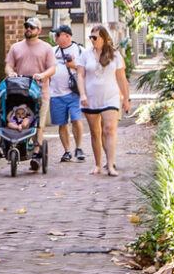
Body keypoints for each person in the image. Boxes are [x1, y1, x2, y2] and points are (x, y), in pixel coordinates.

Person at [81, 25, 132, 176]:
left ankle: (110, 165)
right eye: (90, 37)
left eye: (95, 37)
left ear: (103, 38)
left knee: (109, 129)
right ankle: (97, 164)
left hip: (111, 96)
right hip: (91, 98)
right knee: (95, 132)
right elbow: (80, 75)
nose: (92, 40)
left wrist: (126, 98)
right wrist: (82, 94)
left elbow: (122, 78)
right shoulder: (85, 54)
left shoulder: (115, 56)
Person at [5, 17, 58, 144]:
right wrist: (11, 73)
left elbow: (52, 68)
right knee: (15, 117)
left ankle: (37, 151)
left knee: (38, 124)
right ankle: (15, 145)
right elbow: (8, 65)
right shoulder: (16, 47)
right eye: (27, 26)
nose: (29, 29)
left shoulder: (46, 48)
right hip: (20, 91)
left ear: (39, 30)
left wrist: (42, 75)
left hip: (40, 92)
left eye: (32, 27)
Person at [49, 23, 89, 163]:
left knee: (76, 120)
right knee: (62, 124)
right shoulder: (52, 51)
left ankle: (79, 147)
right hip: (56, 93)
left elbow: (87, 70)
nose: (55, 37)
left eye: (58, 35)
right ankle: (67, 150)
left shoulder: (80, 50)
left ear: (67, 36)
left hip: (74, 93)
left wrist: (72, 65)